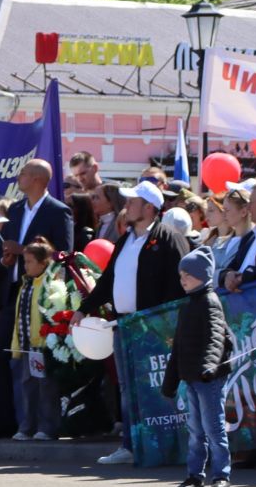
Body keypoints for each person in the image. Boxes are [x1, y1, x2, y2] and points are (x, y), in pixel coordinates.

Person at [81, 181, 189, 465]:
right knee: (128, 388)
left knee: (159, 387)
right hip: (124, 326)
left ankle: (165, 446)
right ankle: (131, 445)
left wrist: (164, 323)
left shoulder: (169, 239)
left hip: (154, 328)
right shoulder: (125, 239)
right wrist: (84, 309)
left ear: (150, 208)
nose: (127, 206)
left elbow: (180, 285)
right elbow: (107, 281)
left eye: (133, 201)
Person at [162, 248, 234, 487]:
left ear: (203, 276)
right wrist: (170, 381)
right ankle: (195, 475)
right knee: (195, 430)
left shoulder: (210, 303)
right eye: (181, 275)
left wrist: (210, 365)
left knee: (214, 427)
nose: (183, 280)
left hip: (209, 377)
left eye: (188, 275)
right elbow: (178, 348)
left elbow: (216, 337)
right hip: (191, 377)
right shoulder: (187, 306)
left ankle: (221, 474)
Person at [6, 240, 69, 441]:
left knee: (46, 387)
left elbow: (55, 313)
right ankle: (27, 426)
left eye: (30, 261)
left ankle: (47, 427)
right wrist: (16, 346)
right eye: (24, 261)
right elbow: (19, 318)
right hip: (27, 346)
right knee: (28, 386)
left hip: (43, 346)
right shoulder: (25, 285)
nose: (26, 265)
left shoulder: (51, 285)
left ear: (43, 263)